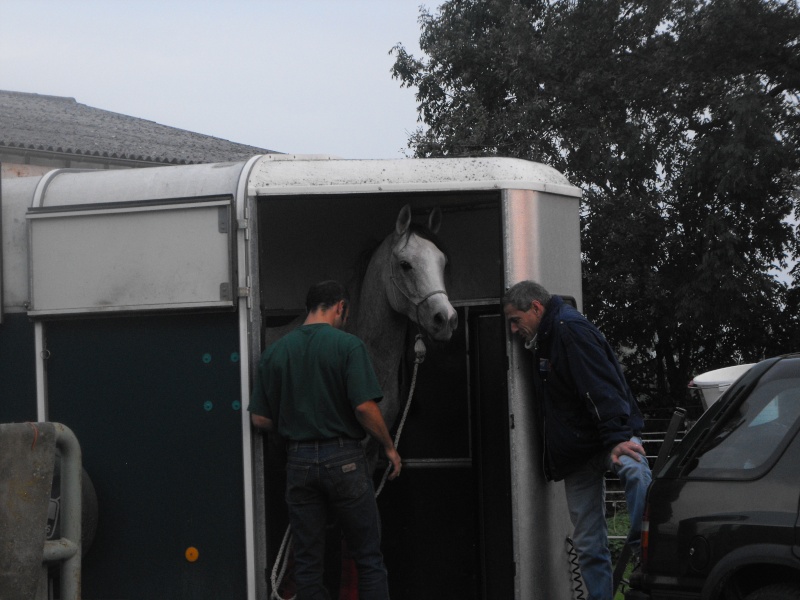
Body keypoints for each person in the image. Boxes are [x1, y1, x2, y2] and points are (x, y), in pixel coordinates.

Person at [249, 280, 401, 600]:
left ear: (309, 307)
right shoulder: (348, 346)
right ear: (341, 307)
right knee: (369, 559)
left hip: (299, 463)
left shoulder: (276, 353)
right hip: (344, 459)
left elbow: (259, 419)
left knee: (307, 565)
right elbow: (364, 407)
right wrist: (388, 447)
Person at [502, 280, 651, 600]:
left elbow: (601, 385)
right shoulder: (546, 337)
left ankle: (646, 550)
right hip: (579, 452)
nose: (513, 330)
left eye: (516, 320)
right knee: (587, 544)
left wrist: (616, 438)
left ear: (536, 308)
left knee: (636, 471)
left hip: (609, 439)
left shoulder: (569, 330)